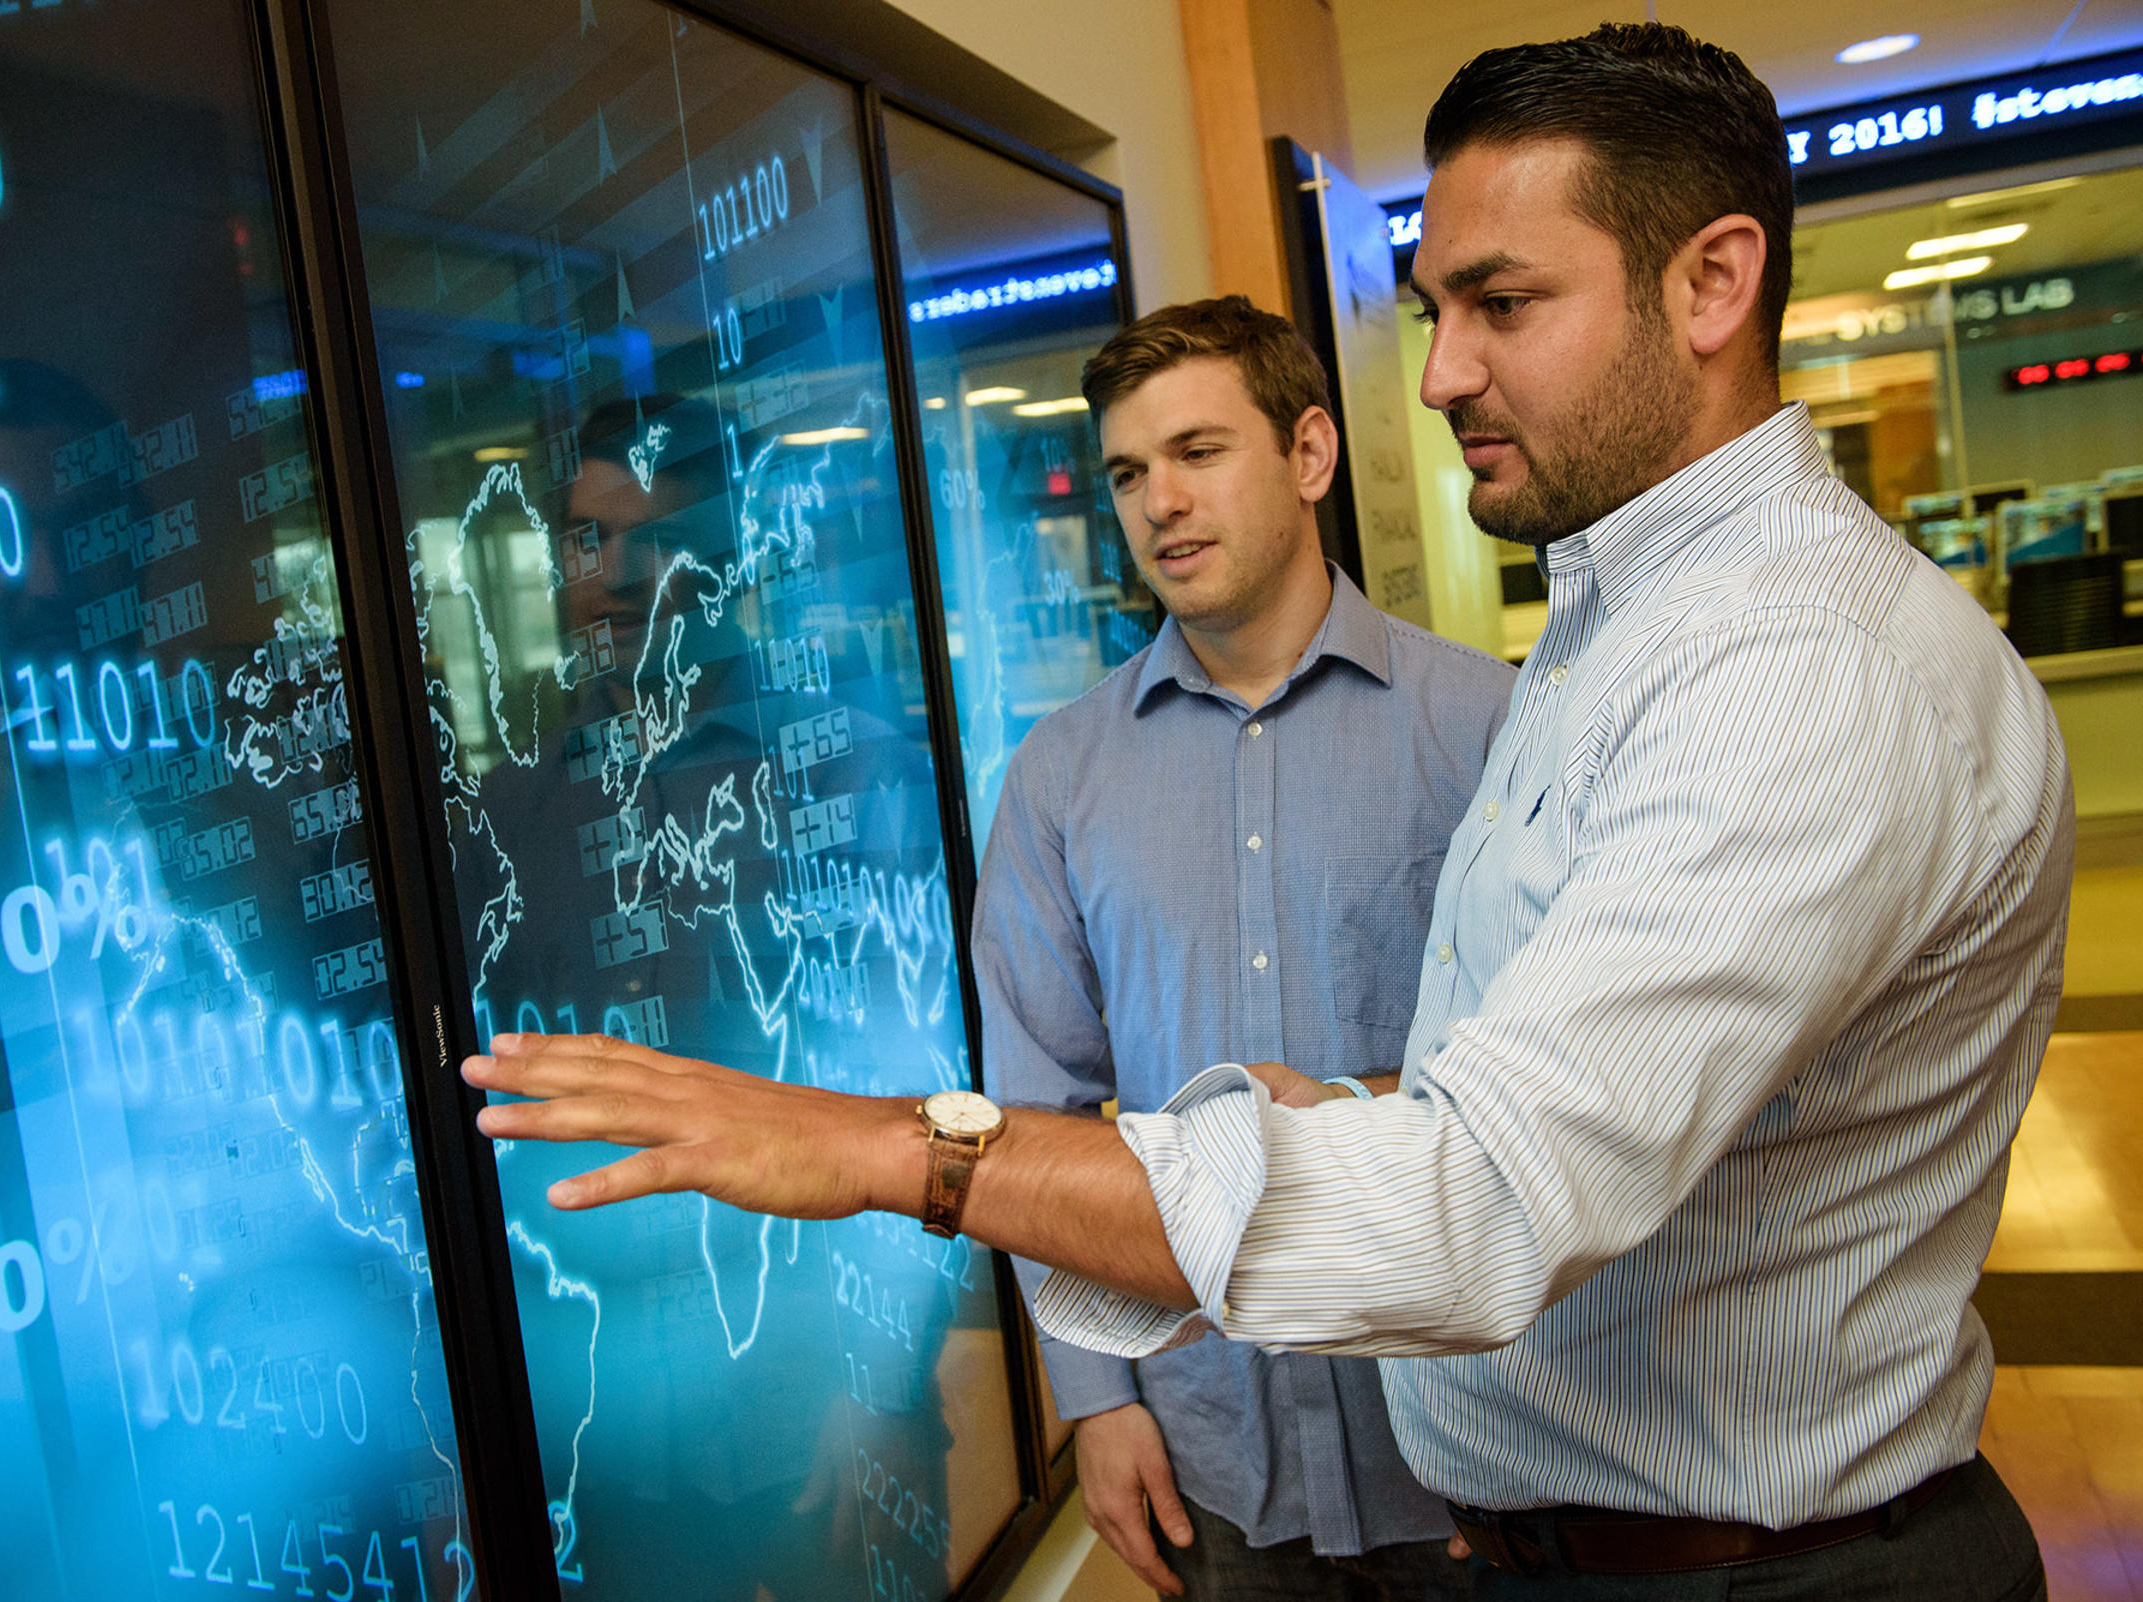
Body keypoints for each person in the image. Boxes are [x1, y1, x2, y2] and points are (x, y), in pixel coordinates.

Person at [463, 23, 2072, 1600]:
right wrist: (1362, 1110)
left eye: (1504, 303)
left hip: (1741, 1568)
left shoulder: (1791, 669)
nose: (1440, 373)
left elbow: (1481, 1202)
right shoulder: (1613, 636)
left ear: (1713, 283)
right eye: (1436, 308)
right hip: (1460, 1509)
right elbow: (1573, 1070)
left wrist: (895, 1146)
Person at [976, 296, 1508, 1599]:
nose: (1159, 501)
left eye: (1198, 452)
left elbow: (1554, 1092)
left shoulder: (1489, 727)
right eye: (1127, 472)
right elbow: (1037, 1116)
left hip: (1475, 1449)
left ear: (1309, 453)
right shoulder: (1061, 776)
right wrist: (1097, 1400)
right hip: (1213, 1457)